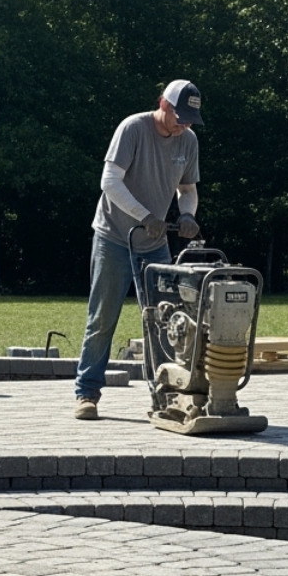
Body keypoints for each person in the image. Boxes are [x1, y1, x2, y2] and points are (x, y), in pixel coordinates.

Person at [73, 79, 203, 420]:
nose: (184, 124)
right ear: (163, 103)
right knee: (103, 317)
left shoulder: (188, 141)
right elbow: (110, 182)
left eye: (190, 119)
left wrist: (187, 214)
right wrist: (145, 215)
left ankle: (167, 396)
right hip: (114, 236)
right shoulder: (133, 128)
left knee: (165, 321)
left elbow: (187, 189)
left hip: (155, 242)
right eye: (180, 116)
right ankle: (87, 393)